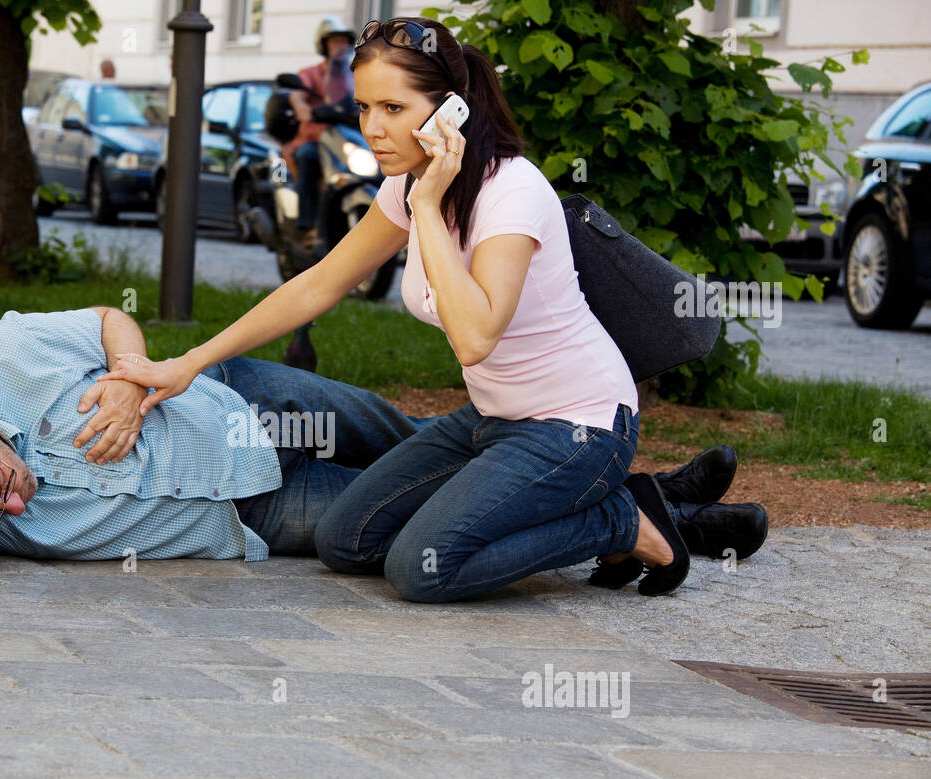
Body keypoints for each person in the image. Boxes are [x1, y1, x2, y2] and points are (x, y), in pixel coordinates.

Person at [97, 16, 769, 603]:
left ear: (450, 110)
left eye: (393, 108)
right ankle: (622, 509)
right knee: (345, 540)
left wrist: (425, 208)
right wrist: (188, 363)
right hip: (492, 420)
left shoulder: (510, 193)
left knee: (424, 569)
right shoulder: (411, 181)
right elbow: (320, 283)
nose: (374, 128)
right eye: (364, 109)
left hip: (577, 424)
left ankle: (624, 522)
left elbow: (475, 336)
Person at [0, 305, 747, 605]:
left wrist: (124, 374)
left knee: (441, 447)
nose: (14, 511)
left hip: (244, 405)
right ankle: (672, 517)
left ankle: (648, 498)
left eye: (2, 485)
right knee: (439, 516)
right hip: (254, 515)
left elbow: (113, 319)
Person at [284, 15, 357, 246]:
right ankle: (309, 224)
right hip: (317, 139)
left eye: (343, 41)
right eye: (333, 41)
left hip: (346, 139)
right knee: (307, 155)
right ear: (323, 45)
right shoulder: (311, 72)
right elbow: (297, 94)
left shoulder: (353, 72)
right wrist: (302, 106)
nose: (339, 46)